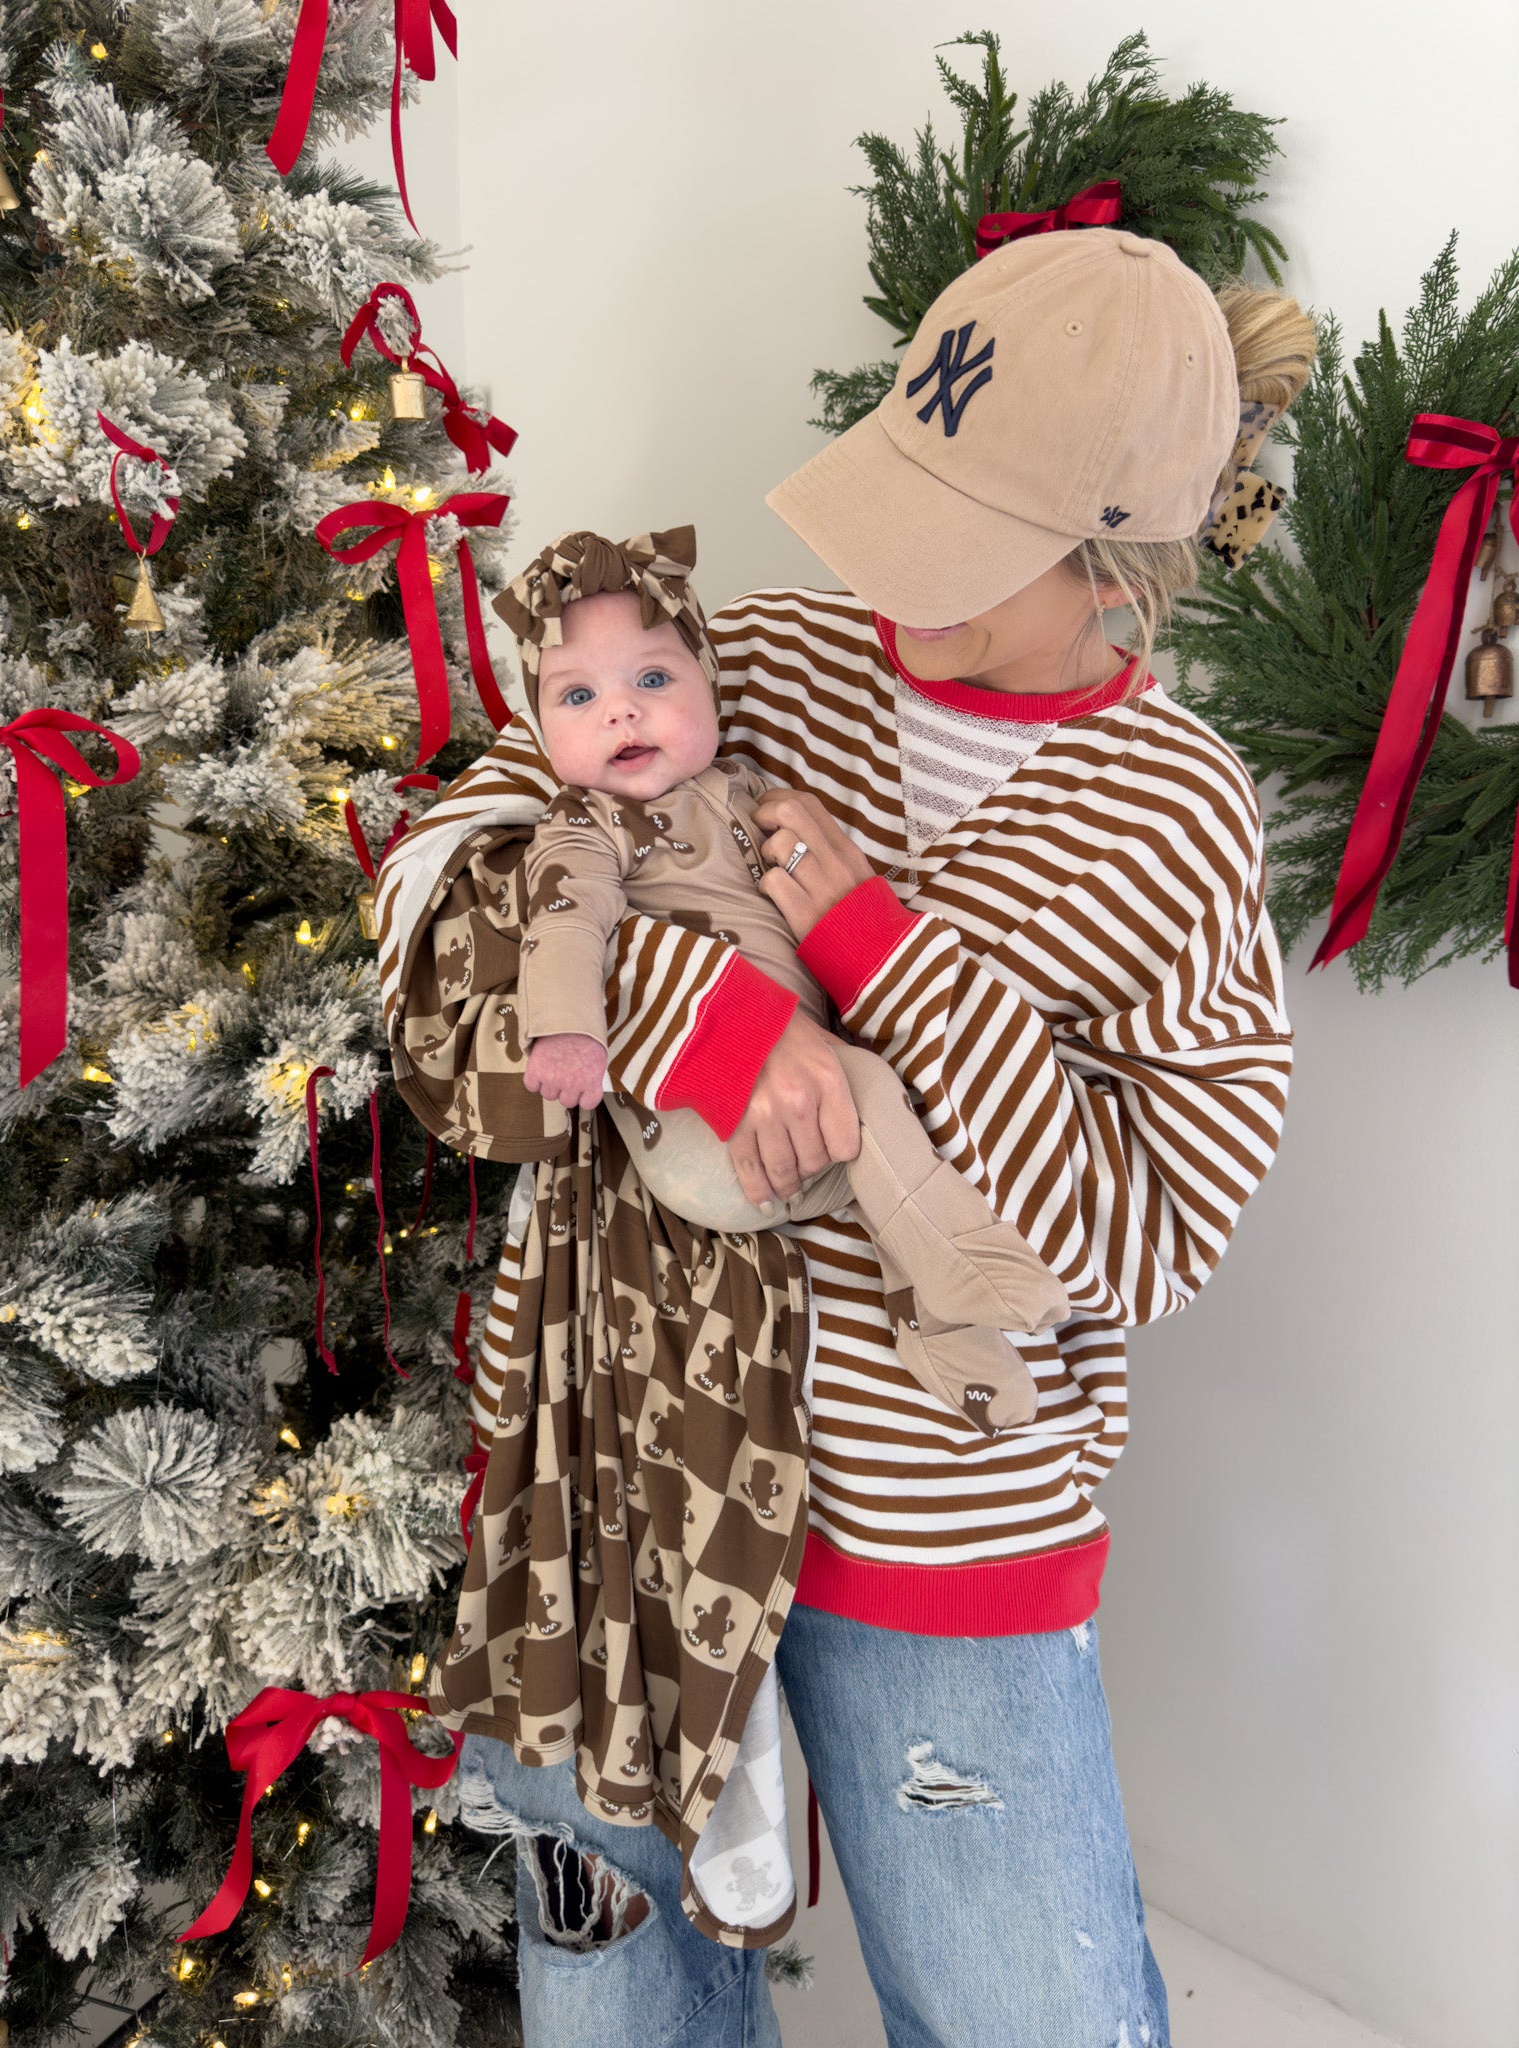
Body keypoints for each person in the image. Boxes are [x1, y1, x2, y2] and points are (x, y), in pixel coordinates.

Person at [433, 226, 1314, 2044]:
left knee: (1028, 2015)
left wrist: (881, 956)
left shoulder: (1171, 816)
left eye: (974, 551)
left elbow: (1145, 1240)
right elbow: (446, 899)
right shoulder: (742, 661)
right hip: (622, 1486)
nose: (902, 584)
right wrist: (716, 1016)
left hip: (947, 1533)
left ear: (1116, 561)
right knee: (615, 2012)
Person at [496, 523, 1069, 1435]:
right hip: (702, 1124)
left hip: (795, 1118)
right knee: (870, 1093)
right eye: (578, 696)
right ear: (540, 735)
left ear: (710, 686)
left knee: (882, 1163)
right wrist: (565, 1031)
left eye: (653, 679)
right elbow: (565, 922)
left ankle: (950, 1340)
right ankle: (957, 1258)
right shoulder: (583, 824)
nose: (622, 712)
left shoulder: (738, 786)